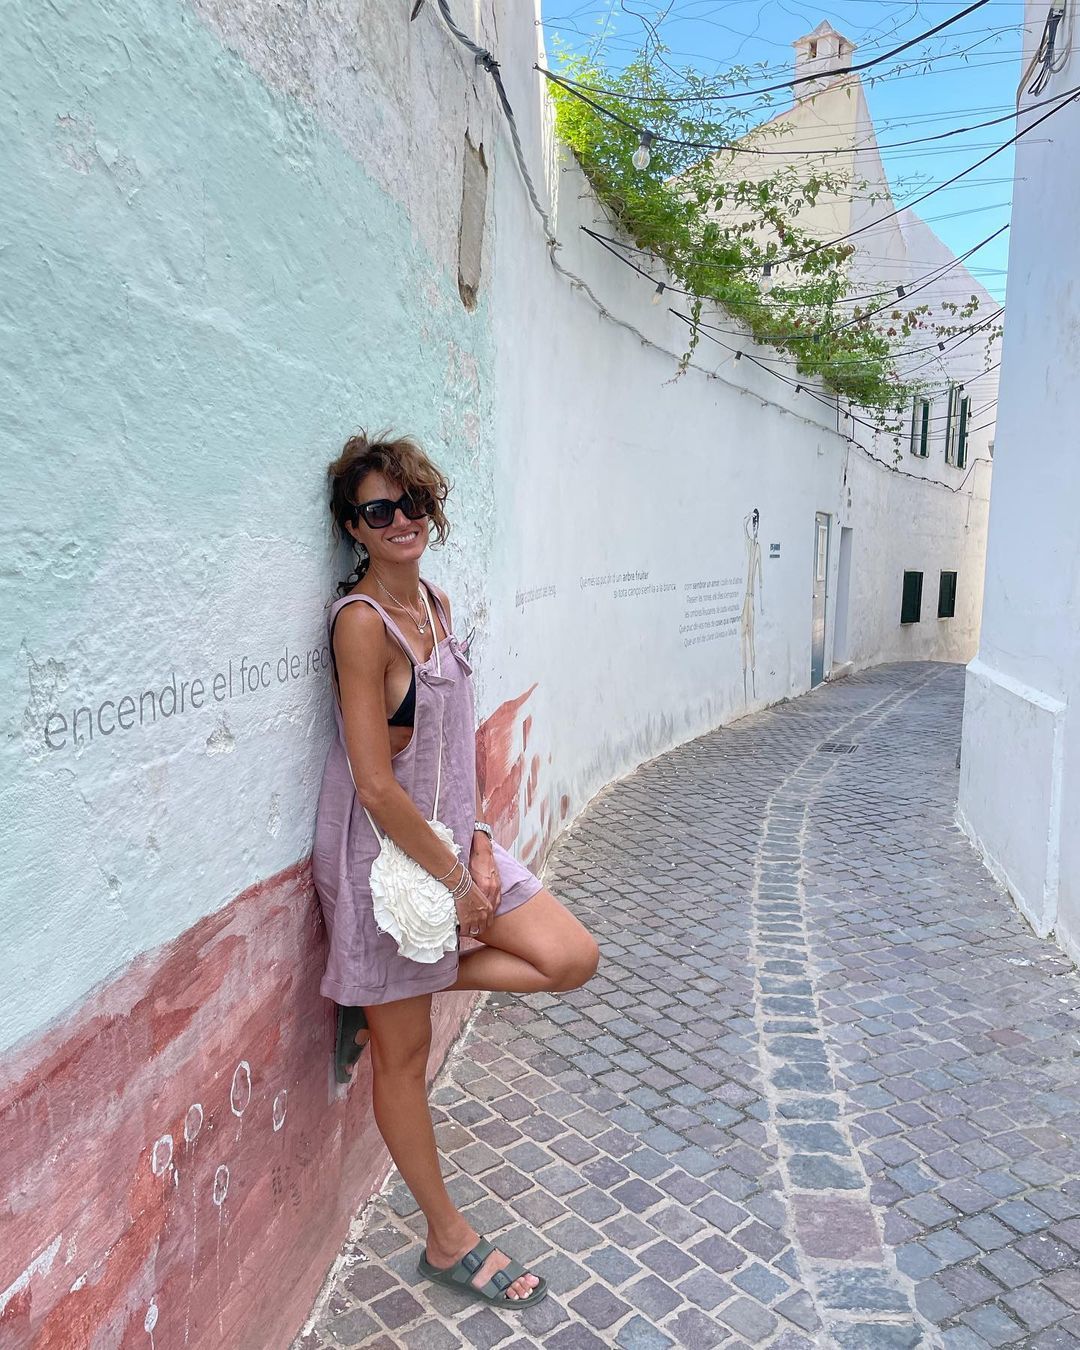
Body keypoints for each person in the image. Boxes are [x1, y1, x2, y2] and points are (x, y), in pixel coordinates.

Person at [312, 431, 600, 1310]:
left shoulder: (434, 602)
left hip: (453, 842)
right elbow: (375, 785)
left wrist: (478, 839)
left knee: (569, 957)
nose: (401, 520)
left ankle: (376, 997)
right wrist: (457, 886)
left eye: (413, 503)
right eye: (378, 510)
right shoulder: (362, 625)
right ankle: (447, 1239)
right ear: (353, 527)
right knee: (405, 1062)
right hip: (390, 865)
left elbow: (451, 744)